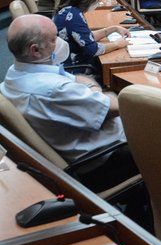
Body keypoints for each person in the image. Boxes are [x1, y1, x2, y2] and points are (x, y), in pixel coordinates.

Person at [0, 14, 138, 192]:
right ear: (35, 50)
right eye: (53, 38)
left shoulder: (15, 73)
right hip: (104, 160)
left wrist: (91, 88)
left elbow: (74, 79)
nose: (59, 41)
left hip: (81, 146)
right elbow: (115, 106)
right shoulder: (54, 89)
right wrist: (96, 89)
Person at [53, 0, 129, 72]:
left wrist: (112, 29)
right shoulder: (73, 15)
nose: (98, 0)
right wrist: (117, 44)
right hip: (74, 69)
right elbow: (93, 50)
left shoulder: (69, 10)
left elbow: (85, 37)